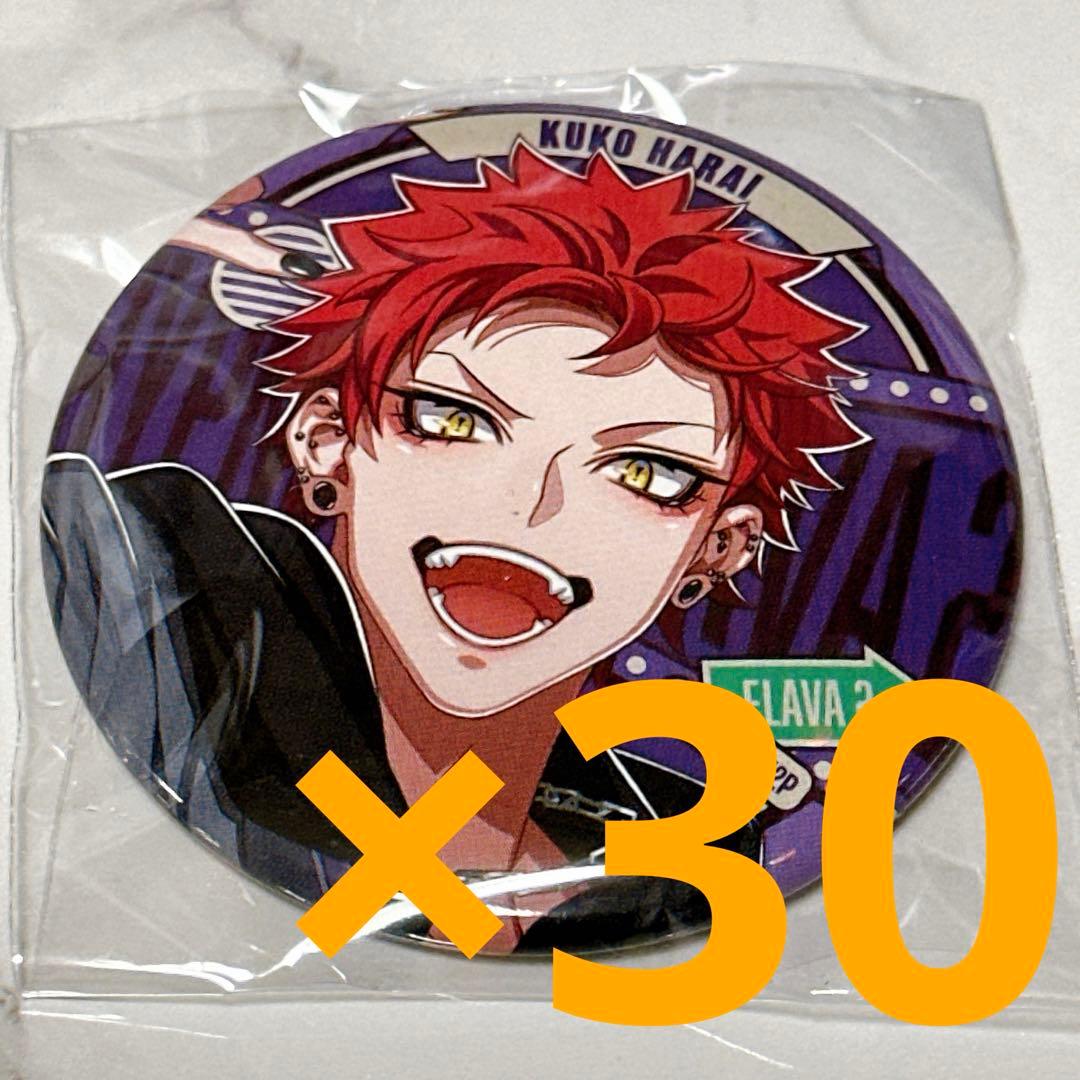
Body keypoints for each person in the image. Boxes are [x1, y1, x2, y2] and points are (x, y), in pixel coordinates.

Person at [42, 145, 865, 953]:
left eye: (645, 471)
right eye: (453, 418)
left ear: (718, 546)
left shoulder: (689, 852)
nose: (528, 509)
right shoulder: (168, 611)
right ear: (328, 440)